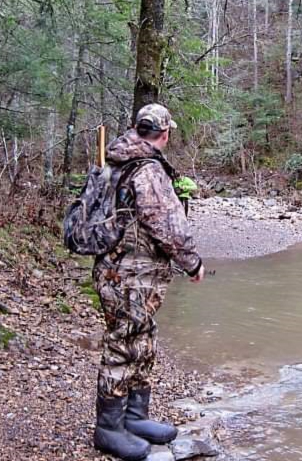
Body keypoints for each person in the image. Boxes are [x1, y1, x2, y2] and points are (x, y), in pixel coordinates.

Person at [92, 103, 205, 461]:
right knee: (123, 344)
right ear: (165, 133)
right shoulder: (146, 170)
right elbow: (168, 226)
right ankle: (109, 428)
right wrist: (193, 264)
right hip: (128, 275)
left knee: (142, 339)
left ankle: (135, 417)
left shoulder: (117, 162)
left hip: (126, 273)